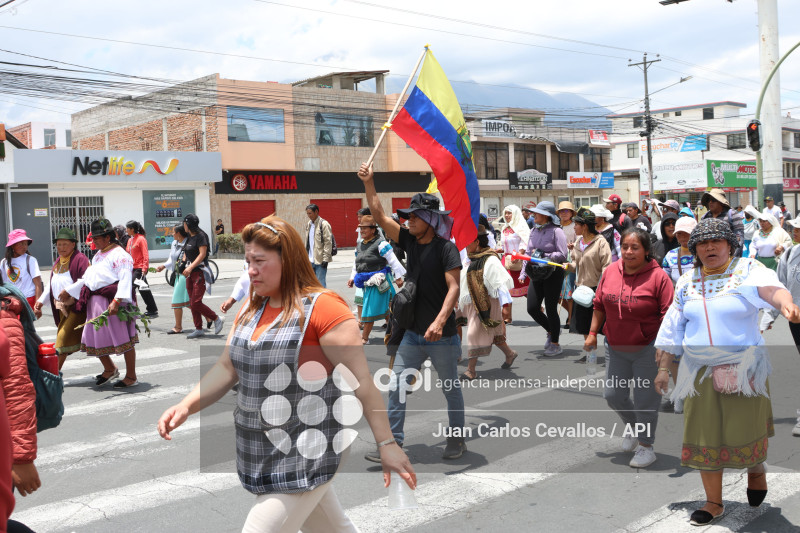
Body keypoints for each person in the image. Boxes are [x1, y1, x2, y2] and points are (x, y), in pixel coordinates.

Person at [157, 215, 416, 533]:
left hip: (312, 446)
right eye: (248, 261)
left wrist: (387, 444)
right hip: (264, 446)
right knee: (331, 529)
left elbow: (362, 382)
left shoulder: (324, 310)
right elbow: (227, 367)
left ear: (288, 260)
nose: (250, 270)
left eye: (259, 261)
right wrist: (186, 405)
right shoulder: (252, 307)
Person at [654, 218, 800, 525]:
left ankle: (756, 470)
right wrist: (664, 369)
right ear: (694, 249)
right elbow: (672, 327)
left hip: (743, 369)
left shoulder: (745, 270)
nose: (709, 248)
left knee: (744, 432)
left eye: (716, 242)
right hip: (698, 373)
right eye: (702, 244)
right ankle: (713, 503)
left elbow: (771, 289)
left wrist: (786, 303)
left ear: (730, 245)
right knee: (704, 436)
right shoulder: (687, 282)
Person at [358, 162, 466, 461]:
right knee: (396, 388)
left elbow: (454, 287)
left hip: (441, 336)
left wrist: (440, 321)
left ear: (430, 219)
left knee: (450, 391)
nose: (407, 222)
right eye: (407, 218)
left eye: (414, 217)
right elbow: (379, 215)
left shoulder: (447, 249)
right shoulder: (409, 241)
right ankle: (394, 443)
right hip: (413, 335)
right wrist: (370, 182)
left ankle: (457, 440)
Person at [584, 228, 673, 469]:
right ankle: (634, 427)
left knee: (646, 401)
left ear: (646, 251)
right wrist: (592, 333)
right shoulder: (611, 271)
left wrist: (665, 350)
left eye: (635, 248)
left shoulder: (659, 277)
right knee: (613, 396)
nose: (629, 252)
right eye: (625, 247)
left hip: (648, 349)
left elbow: (669, 316)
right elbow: (599, 304)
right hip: (615, 346)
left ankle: (646, 446)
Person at [61, 218, 140, 388]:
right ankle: (109, 368)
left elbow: (126, 279)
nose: (93, 241)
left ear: (108, 237)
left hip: (114, 303)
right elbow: (88, 278)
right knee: (92, 338)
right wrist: (70, 290)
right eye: (93, 238)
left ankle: (131, 376)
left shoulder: (121, 255)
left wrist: (116, 301)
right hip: (96, 303)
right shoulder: (98, 255)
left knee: (124, 339)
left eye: (96, 238)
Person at [459, 224, 517, 380]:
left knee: (473, 334)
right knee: (495, 333)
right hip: (473, 302)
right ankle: (510, 354)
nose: (465, 245)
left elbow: (501, 284)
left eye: (468, 242)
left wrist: (507, 306)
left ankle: (471, 370)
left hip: (486, 304)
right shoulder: (470, 258)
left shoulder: (490, 259)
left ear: (477, 242)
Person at [32, 228, 90, 370]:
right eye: (59, 244)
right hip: (61, 308)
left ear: (73, 245)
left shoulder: (80, 259)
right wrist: (40, 300)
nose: (61, 248)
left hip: (76, 307)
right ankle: (110, 368)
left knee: (62, 340)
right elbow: (52, 285)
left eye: (65, 244)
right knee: (84, 341)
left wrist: (69, 290)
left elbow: (86, 280)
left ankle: (53, 374)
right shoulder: (58, 261)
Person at [763, 218, 800, 436]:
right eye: (794, 227)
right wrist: (769, 315)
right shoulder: (790, 254)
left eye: (799, 228)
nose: (795, 231)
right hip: (796, 320)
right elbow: (780, 287)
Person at [347, 215, 406, 345]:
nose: (361, 231)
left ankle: (365, 338)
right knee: (388, 311)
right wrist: (352, 277)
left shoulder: (381, 244)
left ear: (373, 230)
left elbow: (393, 261)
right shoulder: (359, 245)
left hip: (378, 282)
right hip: (364, 283)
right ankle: (399, 334)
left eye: (364, 228)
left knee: (369, 309)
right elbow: (356, 263)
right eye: (360, 228)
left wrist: (398, 277)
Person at [523, 201, 568, 357]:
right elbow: (528, 254)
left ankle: (555, 343)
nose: (533, 215)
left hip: (553, 273)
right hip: (536, 273)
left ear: (546, 216)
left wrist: (544, 255)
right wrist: (523, 272)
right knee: (532, 308)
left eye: (537, 213)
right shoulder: (533, 230)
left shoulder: (557, 232)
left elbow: (562, 254)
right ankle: (552, 329)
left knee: (550, 308)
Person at [566, 209, 611, 351]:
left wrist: (601, 289)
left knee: (601, 324)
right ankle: (590, 353)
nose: (574, 227)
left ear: (584, 226)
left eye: (576, 224)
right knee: (584, 324)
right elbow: (576, 264)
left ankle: (612, 351)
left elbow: (607, 267)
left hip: (596, 289)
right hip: (581, 289)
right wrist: (568, 266)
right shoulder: (579, 242)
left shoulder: (601, 242)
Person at [181, 214, 224, 339]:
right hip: (190, 273)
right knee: (192, 301)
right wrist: (184, 262)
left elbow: (202, 254)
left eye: (184, 223)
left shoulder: (201, 236)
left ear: (188, 224)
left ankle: (216, 318)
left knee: (196, 302)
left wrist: (190, 267)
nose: (183, 225)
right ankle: (198, 328)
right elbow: (186, 251)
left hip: (200, 272)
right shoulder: (189, 236)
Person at [155, 225, 191, 334]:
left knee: (176, 300)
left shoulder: (188, 243)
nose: (172, 234)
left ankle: (178, 327)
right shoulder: (174, 243)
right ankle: (212, 317)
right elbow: (172, 259)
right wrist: (163, 266)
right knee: (188, 302)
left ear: (179, 233)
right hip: (177, 274)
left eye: (173, 232)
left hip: (186, 275)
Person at [497, 204, 531, 320]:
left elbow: (525, 241)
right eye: (505, 213)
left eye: (509, 213)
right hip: (506, 261)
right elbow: (505, 244)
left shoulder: (521, 227)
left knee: (524, 286)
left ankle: (537, 307)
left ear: (515, 214)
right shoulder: (504, 228)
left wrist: (519, 253)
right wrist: (500, 249)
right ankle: (507, 316)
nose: (507, 215)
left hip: (518, 260)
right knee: (504, 287)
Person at [1, 230, 43, 310]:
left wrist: (38, 306)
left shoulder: (31, 260)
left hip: (28, 300)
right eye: (21, 244)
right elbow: (2, 284)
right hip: (11, 301)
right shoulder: (4, 262)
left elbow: (38, 284)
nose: (25, 247)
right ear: (12, 246)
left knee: (24, 323)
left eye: (26, 244)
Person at [125, 220, 159, 318]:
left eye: (128, 228)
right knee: (144, 289)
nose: (126, 230)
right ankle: (152, 310)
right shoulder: (130, 240)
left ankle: (131, 310)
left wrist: (145, 268)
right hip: (132, 268)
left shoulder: (141, 239)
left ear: (132, 229)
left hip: (139, 268)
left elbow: (145, 254)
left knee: (130, 287)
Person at [700, 189, 744, 256]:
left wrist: (732, 258)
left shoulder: (732, 215)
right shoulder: (704, 218)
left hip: (728, 257)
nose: (710, 202)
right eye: (709, 200)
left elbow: (739, 238)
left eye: (713, 200)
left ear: (721, 202)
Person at [304, 204, 333, 288]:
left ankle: (323, 300)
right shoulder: (309, 224)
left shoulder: (324, 224)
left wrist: (326, 259)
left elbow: (328, 242)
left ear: (316, 212)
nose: (309, 216)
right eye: (307, 214)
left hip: (320, 260)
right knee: (311, 284)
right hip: (310, 260)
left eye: (310, 213)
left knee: (321, 284)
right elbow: (307, 242)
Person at [661, 216, 697, 285]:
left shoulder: (703, 253)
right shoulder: (670, 255)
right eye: (679, 233)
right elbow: (664, 279)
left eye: (686, 232)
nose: (683, 236)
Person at [558, 201, 577, 329]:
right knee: (558, 294)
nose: (564, 213)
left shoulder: (576, 226)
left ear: (571, 213)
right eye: (562, 211)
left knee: (568, 290)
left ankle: (571, 319)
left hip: (570, 260)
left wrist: (573, 246)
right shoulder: (556, 226)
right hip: (556, 260)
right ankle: (573, 313)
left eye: (567, 211)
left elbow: (581, 241)